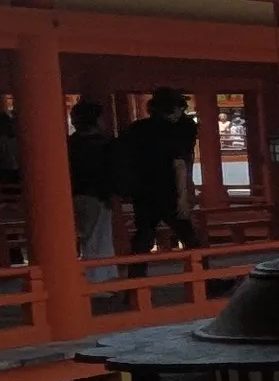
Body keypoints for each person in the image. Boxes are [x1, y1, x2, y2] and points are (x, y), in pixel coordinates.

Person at [117, 88, 202, 252]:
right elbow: (180, 164)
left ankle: (136, 275)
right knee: (188, 235)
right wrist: (183, 196)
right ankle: (204, 275)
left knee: (144, 236)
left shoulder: (137, 129)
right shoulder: (182, 129)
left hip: (143, 190)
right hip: (170, 189)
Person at [66, 94, 120, 261]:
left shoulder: (69, 144)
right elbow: (110, 170)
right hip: (98, 195)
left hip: (75, 194)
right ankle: (99, 276)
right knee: (99, 237)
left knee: (84, 236)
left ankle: (90, 273)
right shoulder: (104, 143)